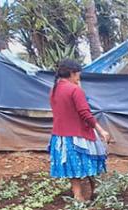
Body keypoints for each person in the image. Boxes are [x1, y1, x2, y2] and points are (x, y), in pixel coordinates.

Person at [49, 58, 111, 201]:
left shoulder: (54, 89)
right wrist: (101, 131)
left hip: (61, 137)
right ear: (71, 73)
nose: (79, 77)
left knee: (72, 168)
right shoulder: (75, 90)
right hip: (78, 135)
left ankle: (78, 195)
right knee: (91, 163)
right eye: (77, 74)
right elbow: (85, 114)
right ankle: (93, 192)